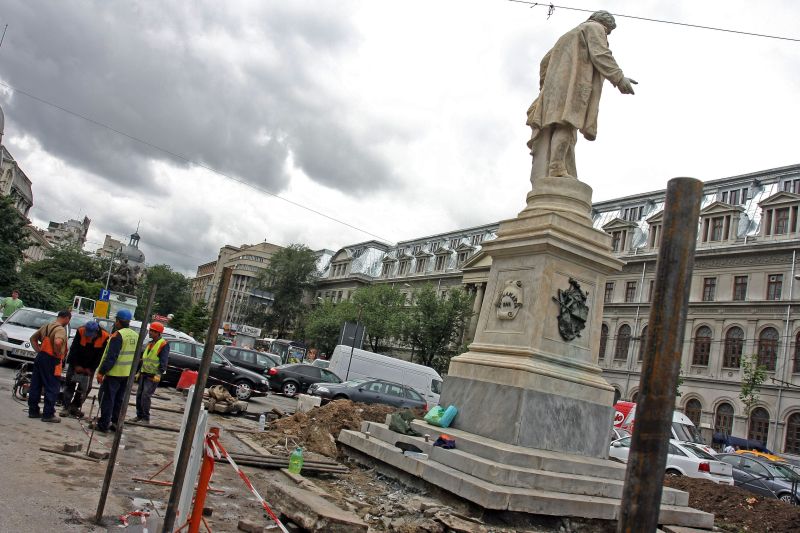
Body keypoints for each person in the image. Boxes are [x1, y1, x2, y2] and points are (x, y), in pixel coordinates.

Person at [526, 11, 637, 181]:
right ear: (605, 24)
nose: (607, 34)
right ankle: (556, 167)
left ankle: (558, 167)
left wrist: (546, 87)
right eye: (608, 32)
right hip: (574, 86)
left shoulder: (566, 36)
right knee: (568, 124)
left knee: (560, 127)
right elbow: (600, 54)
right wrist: (619, 78)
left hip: (554, 91)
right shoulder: (594, 27)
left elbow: (544, 62)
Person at [93, 309, 138, 433]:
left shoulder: (118, 335)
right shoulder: (135, 335)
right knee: (119, 399)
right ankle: (115, 423)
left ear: (118, 321)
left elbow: (111, 357)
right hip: (127, 374)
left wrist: (101, 372)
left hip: (114, 373)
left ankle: (103, 425)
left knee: (107, 398)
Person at [28, 310, 71, 422]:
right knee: (52, 387)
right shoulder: (60, 329)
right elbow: (57, 342)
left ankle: (33, 411)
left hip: (41, 358)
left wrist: (39, 350)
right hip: (52, 360)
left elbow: (33, 338)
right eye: (68, 320)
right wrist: (57, 354)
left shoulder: (46, 326)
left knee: (36, 385)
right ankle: (48, 414)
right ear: (66, 318)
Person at [60, 321, 110, 418]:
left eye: (91, 335)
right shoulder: (81, 331)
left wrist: (90, 369)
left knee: (86, 387)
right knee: (70, 383)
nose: (89, 337)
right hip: (76, 362)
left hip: (90, 364)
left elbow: (100, 356)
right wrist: (75, 365)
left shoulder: (104, 336)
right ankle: (65, 407)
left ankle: (75, 406)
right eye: (88, 334)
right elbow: (74, 349)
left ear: (96, 332)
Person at [133, 321, 170, 424]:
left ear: (158, 333)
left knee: (146, 396)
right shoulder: (150, 343)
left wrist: (159, 373)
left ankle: (145, 417)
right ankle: (139, 415)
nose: (150, 332)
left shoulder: (163, 344)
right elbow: (145, 359)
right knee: (139, 395)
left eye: (152, 331)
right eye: (150, 330)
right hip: (144, 373)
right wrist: (139, 372)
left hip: (152, 376)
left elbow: (164, 361)